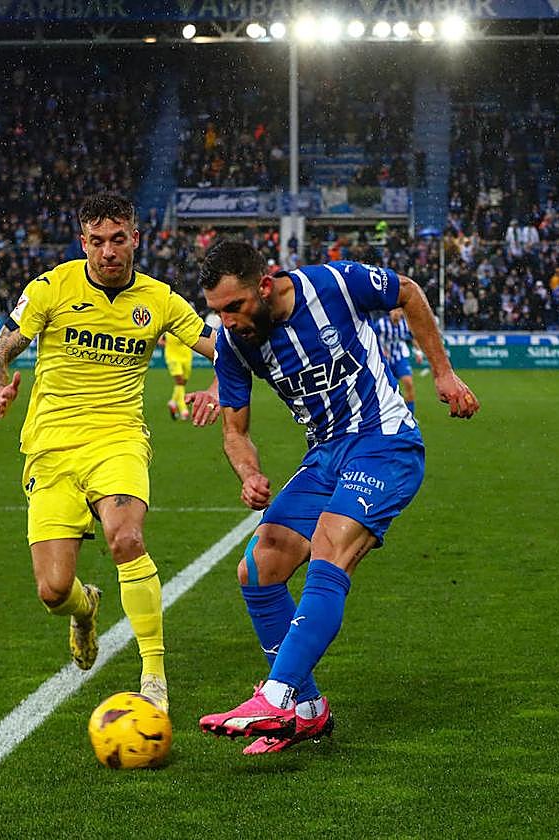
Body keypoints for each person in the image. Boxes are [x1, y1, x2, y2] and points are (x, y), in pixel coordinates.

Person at [195, 241, 479, 754]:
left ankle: (276, 695)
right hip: (324, 455)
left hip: (383, 442)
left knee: (329, 545)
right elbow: (234, 430)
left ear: (265, 285)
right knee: (258, 568)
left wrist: (441, 371)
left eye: (233, 307)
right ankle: (306, 710)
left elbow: (408, 292)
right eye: (217, 311)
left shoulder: (333, 284)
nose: (226, 321)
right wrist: (249, 472)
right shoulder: (235, 345)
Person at [0, 193, 219, 713]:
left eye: (118, 239)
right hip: (51, 448)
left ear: (136, 238)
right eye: (97, 241)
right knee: (52, 589)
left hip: (118, 438)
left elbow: (226, 348)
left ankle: (153, 674)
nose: (108, 251)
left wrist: (222, 388)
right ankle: (84, 609)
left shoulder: (159, 300)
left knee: (127, 539)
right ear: (82, 242)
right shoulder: (51, 288)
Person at [370, 307, 421, 414]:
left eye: (399, 311)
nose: (396, 313)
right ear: (390, 311)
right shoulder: (381, 324)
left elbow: (413, 338)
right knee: (389, 390)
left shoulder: (405, 325)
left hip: (399, 359)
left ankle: (410, 416)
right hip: (384, 361)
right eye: (394, 311)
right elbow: (371, 337)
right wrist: (380, 350)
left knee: (409, 384)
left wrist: (418, 353)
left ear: (402, 312)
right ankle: (390, 414)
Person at [159, 331, 194, 421]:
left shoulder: (186, 322)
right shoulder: (167, 324)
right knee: (180, 381)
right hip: (172, 356)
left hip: (186, 355)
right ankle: (183, 410)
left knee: (182, 383)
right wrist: (169, 345)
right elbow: (160, 341)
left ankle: (173, 401)